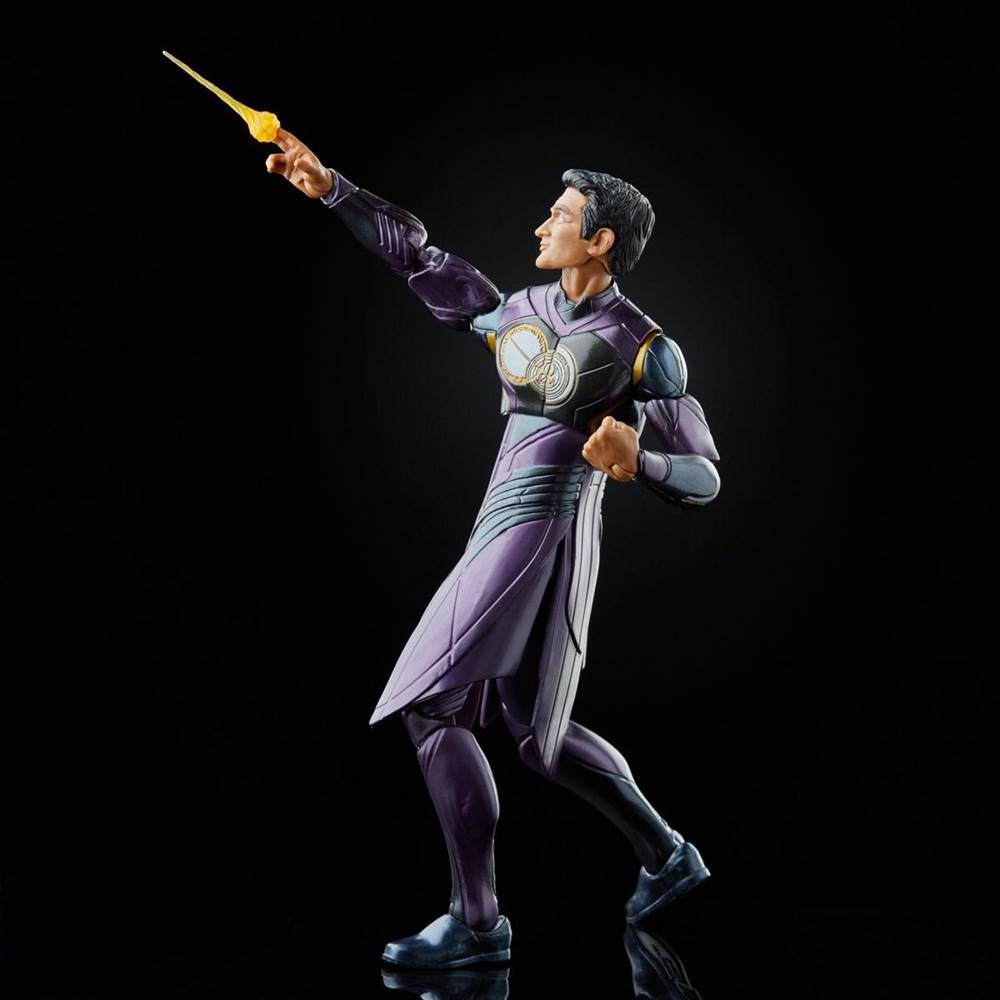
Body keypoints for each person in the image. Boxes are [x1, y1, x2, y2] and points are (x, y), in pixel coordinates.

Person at [265, 128, 722, 969]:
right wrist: (332, 188)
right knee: (534, 735)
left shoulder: (646, 350)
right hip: (498, 521)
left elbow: (705, 475)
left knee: (433, 707)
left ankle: (476, 923)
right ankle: (667, 855)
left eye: (561, 215)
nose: (543, 224)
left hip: (545, 528)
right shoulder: (519, 311)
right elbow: (418, 259)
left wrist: (643, 463)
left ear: (601, 240)